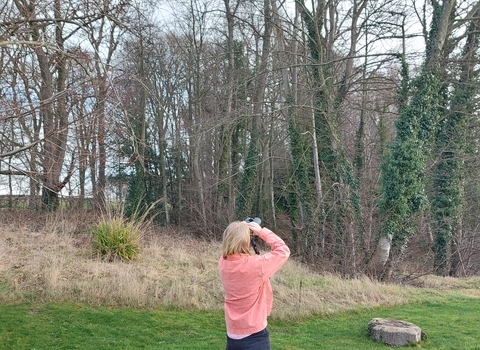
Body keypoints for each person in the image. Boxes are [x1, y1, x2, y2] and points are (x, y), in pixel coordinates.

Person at [218, 220, 290, 350]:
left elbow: (233, 238)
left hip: (232, 335)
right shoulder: (256, 266)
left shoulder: (223, 263)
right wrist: (261, 231)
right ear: (246, 241)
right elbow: (283, 251)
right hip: (254, 337)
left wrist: (240, 227)